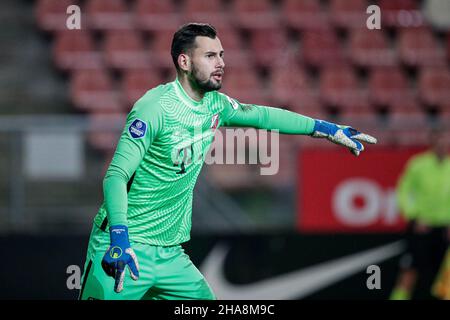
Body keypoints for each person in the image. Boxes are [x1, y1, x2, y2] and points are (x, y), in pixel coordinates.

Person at [78, 23, 377, 300]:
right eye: (210, 55)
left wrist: (324, 128)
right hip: (124, 247)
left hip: (171, 255)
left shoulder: (215, 105)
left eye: (221, 54)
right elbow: (115, 175)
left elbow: (262, 115)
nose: (221, 62)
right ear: (184, 62)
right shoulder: (153, 108)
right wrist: (119, 236)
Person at [390, 129, 450, 300]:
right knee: (410, 271)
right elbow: (403, 191)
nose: (442, 146)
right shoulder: (418, 165)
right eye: (439, 142)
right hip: (422, 226)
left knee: (446, 275)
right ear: (432, 143)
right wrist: (413, 216)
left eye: (445, 143)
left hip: (444, 228)